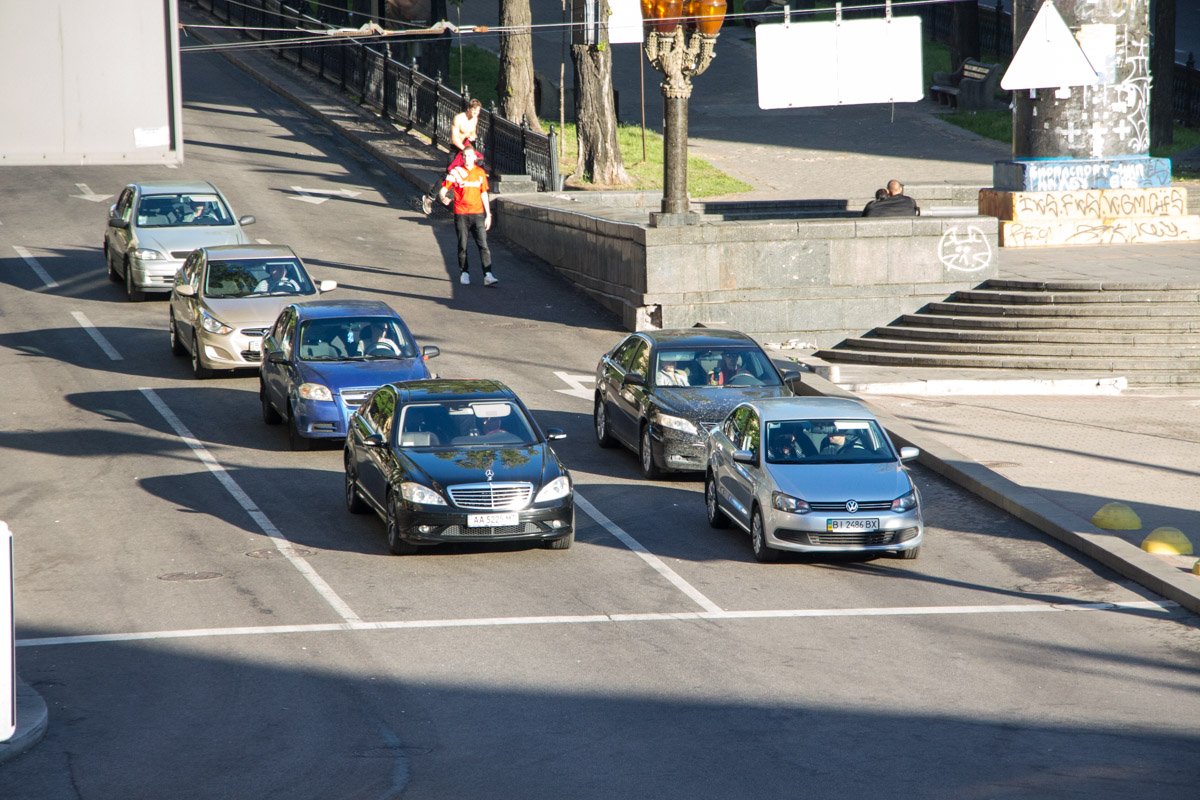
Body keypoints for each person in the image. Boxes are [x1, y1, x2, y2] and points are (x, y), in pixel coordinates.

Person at [437, 147, 497, 286]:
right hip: (461, 213)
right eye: (464, 156)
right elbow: (444, 189)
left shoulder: (480, 173)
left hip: (478, 214)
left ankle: (488, 274)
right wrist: (443, 197)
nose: (466, 158)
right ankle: (464, 272)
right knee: (462, 245)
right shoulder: (456, 172)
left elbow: (483, 193)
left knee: (483, 245)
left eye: (469, 156)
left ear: (474, 158)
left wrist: (488, 214)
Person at [421, 99, 484, 215]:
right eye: (474, 111)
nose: (476, 114)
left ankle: (457, 198)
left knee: (476, 166)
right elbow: (455, 140)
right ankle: (429, 198)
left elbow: (473, 133)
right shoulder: (458, 119)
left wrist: (472, 137)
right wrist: (465, 150)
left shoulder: (475, 119)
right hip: (456, 149)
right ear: (469, 109)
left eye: (478, 111)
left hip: (466, 146)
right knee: (449, 174)